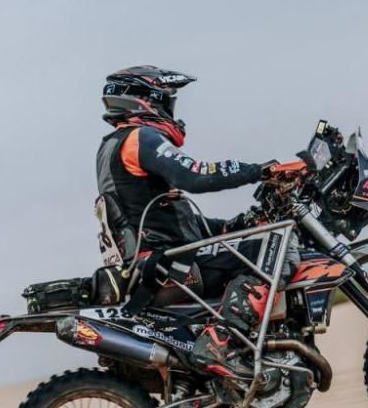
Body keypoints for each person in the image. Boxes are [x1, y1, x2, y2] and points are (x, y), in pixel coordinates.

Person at [96, 65, 302, 379]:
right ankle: (222, 344)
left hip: (157, 263)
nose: (172, 110)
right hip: (171, 267)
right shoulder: (139, 138)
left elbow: (169, 220)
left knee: (260, 237)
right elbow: (194, 176)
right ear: (146, 101)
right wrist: (260, 171)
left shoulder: (112, 146)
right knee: (278, 247)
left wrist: (237, 224)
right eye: (167, 101)